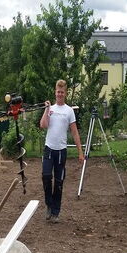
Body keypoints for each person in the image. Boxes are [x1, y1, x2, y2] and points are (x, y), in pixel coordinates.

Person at [40, 79, 84, 223]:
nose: (60, 94)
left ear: (65, 93)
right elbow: (43, 125)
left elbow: (74, 132)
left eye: (62, 92)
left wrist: (80, 151)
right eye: (58, 92)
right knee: (46, 177)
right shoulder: (50, 109)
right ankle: (49, 204)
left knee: (59, 182)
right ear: (55, 92)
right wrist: (46, 110)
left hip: (61, 151)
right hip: (49, 148)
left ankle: (55, 212)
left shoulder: (69, 111)